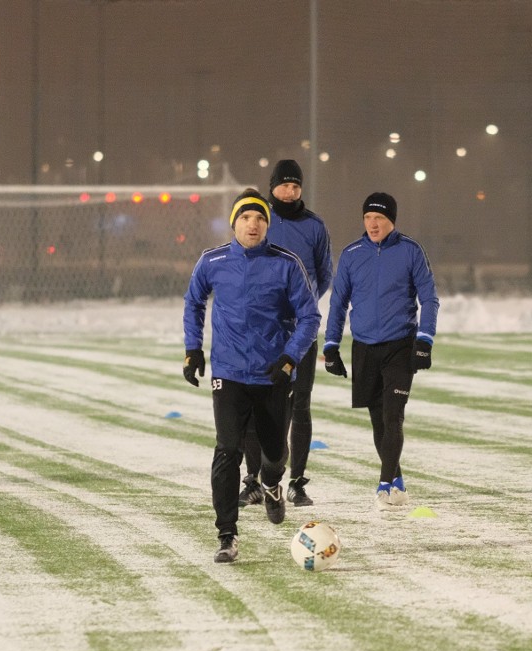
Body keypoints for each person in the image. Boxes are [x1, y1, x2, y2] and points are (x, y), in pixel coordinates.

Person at [183, 188, 321, 563]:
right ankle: (227, 535)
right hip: (228, 373)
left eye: (259, 218)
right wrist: (193, 349)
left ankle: (273, 483)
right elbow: (194, 301)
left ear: (267, 224)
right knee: (227, 450)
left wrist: (290, 358)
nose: (253, 224)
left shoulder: (286, 263)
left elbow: (310, 317)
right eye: (245, 217)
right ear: (234, 223)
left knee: (275, 454)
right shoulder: (212, 261)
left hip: (272, 375)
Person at [323, 192, 439, 511]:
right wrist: (331, 346)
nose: (373, 224)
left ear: (391, 221)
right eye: (368, 218)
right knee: (378, 421)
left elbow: (429, 299)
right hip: (364, 347)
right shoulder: (351, 254)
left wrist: (424, 340)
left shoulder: (410, 251)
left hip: (400, 344)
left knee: (393, 415)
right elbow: (338, 303)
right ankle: (397, 482)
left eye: (380, 219)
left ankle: (384, 483)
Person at [238, 160, 333, 509]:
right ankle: (253, 481)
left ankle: (296, 482)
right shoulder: (258, 219)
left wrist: (302, 305)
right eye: (284, 186)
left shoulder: (314, 226)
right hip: (263, 333)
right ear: (272, 186)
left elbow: (324, 273)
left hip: (301, 333)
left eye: (296, 186)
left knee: (300, 405)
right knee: (254, 404)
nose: (290, 192)